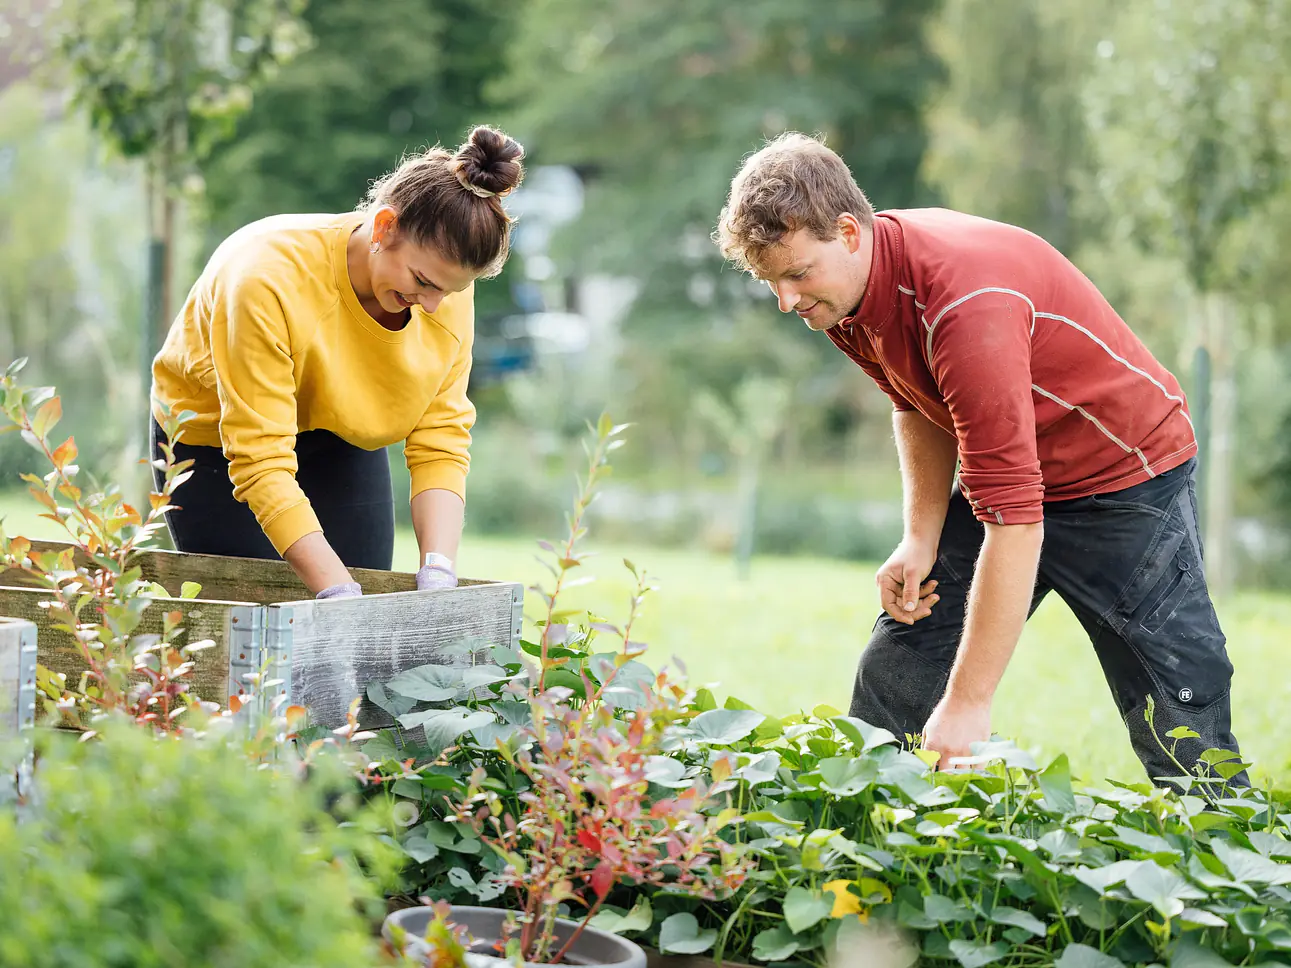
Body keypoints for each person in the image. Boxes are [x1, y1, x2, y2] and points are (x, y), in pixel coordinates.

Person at [714, 132, 1244, 784]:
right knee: (899, 661)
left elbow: (1016, 522)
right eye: (772, 283)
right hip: (1017, 473)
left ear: (848, 232)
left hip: (1125, 478)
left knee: (1178, 712)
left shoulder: (962, 304)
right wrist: (919, 535)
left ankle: (1223, 854)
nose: (787, 302)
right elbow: (911, 402)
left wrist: (967, 704)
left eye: (795, 275)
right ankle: (856, 846)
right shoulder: (849, 296)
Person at [150, 126, 525, 599]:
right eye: (423, 282)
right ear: (385, 227)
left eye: (448, 291)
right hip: (217, 444)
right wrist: (338, 595)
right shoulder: (265, 279)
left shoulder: (443, 288)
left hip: (337, 429)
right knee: (251, 626)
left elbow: (440, 438)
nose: (432, 306)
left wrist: (439, 571)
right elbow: (260, 459)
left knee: (359, 623)